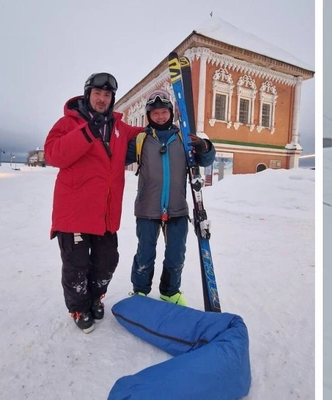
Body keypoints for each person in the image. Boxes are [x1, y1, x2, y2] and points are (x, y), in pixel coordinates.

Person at [44, 72, 144, 333]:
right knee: (76, 267)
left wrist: (169, 123)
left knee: (107, 261)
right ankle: (79, 307)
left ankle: (96, 296)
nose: (102, 99)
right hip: (74, 213)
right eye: (98, 94)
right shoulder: (69, 123)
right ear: (88, 94)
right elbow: (53, 154)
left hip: (105, 214)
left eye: (107, 95)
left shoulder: (120, 128)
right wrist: (87, 131)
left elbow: (148, 133)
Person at [128, 89, 216, 306]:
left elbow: (204, 160)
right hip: (147, 207)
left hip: (177, 207)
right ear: (149, 115)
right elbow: (116, 159)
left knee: (176, 255)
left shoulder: (184, 138)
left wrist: (205, 147)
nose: (159, 116)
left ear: (171, 112)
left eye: (163, 112)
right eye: (155, 113)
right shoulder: (141, 139)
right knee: (145, 254)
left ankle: (170, 292)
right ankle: (139, 291)